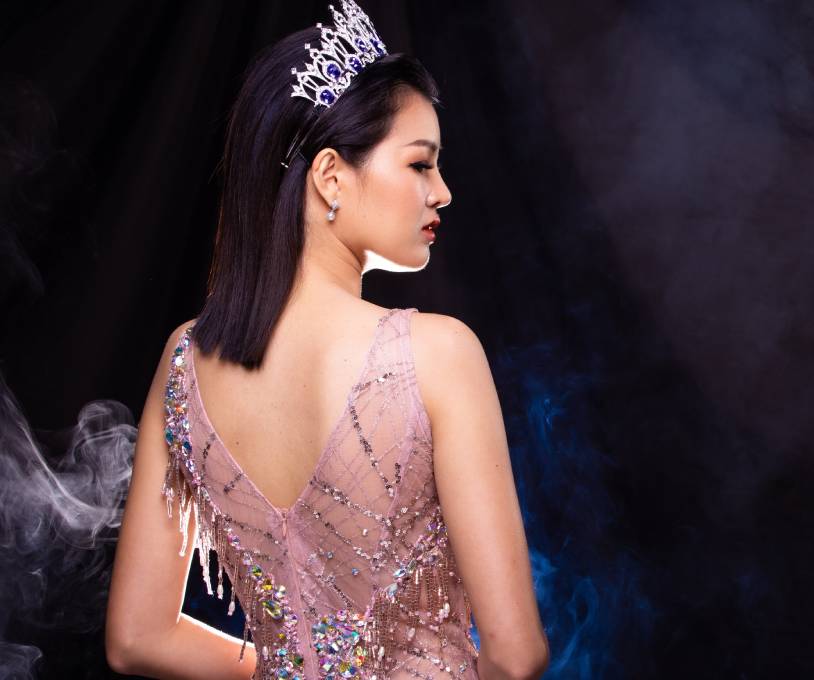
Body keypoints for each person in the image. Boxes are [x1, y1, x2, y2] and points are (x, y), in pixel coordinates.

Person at [103, 2, 549, 678]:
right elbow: (515, 658)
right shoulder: (436, 354)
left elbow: (137, 636)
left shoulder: (186, 360)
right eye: (421, 164)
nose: (444, 192)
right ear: (332, 176)